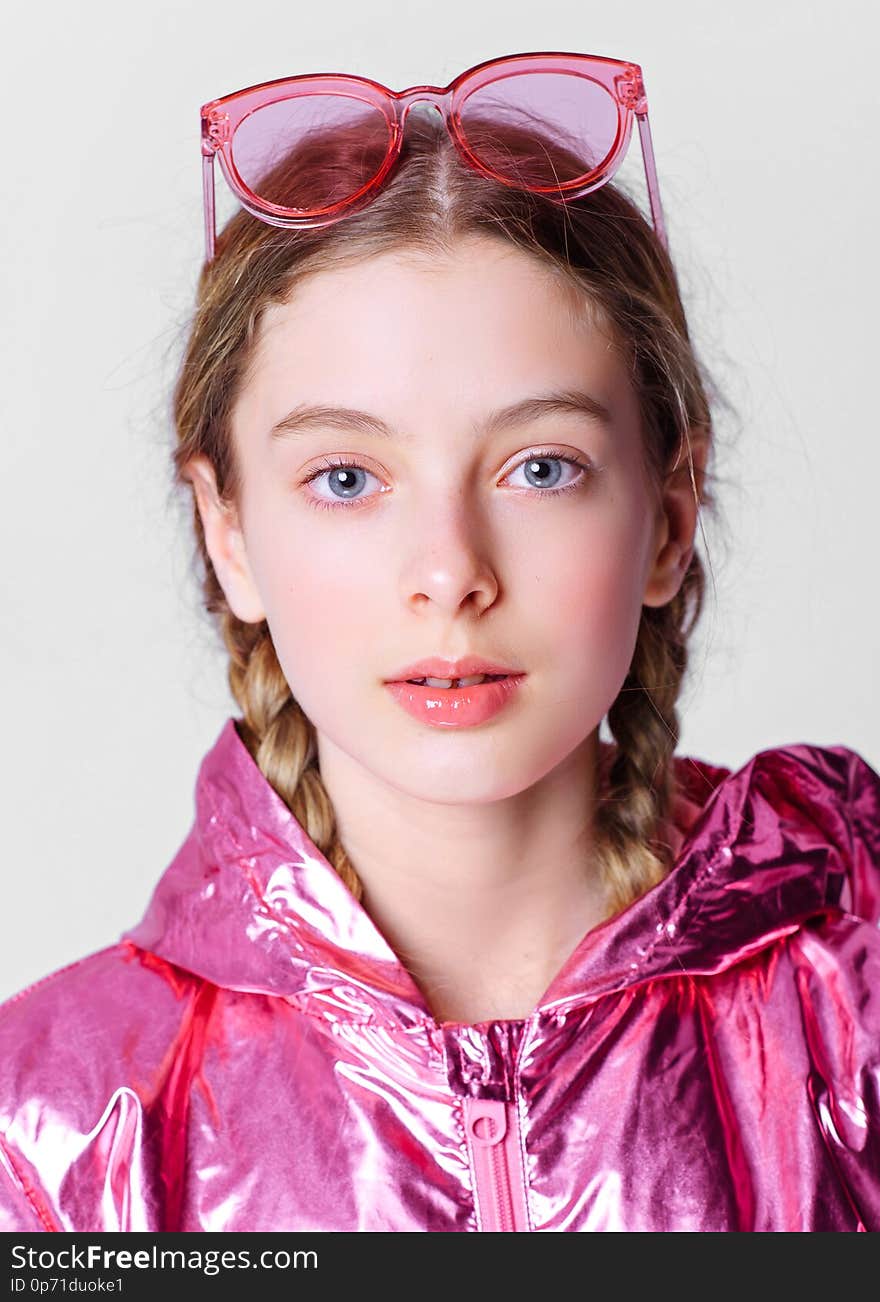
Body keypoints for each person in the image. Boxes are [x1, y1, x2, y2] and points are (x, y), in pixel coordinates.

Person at [1, 50, 878, 1234]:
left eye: (540, 467)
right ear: (231, 535)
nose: (450, 575)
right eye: (348, 476)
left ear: (666, 516)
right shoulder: (51, 1128)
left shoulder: (851, 1002)